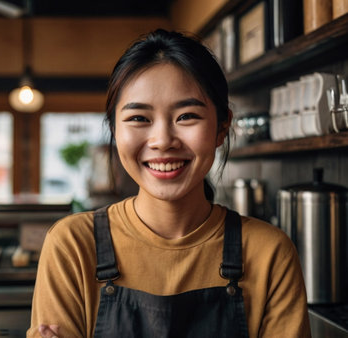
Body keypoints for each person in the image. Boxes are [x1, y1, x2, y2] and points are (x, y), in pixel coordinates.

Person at [27, 29, 311, 337]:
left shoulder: (268, 253)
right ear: (113, 127)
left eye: (187, 116)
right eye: (139, 118)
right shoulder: (74, 246)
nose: (162, 141)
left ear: (222, 127)